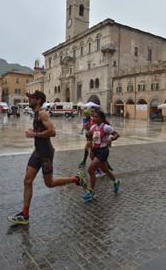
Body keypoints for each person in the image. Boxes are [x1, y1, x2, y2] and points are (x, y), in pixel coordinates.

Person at [8, 90, 86, 225]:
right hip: (37, 152)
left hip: (46, 154)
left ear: (38, 100)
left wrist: (35, 135)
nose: (29, 100)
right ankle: (25, 215)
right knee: (27, 181)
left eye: (31, 98)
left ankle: (77, 179)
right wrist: (34, 132)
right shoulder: (36, 114)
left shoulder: (43, 113)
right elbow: (41, 131)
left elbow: (53, 132)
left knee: (49, 183)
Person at [84, 110, 120, 202]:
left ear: (101, 118)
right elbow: (90, 138)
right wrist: (88, 133)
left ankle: (91, 192)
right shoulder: (93, 127)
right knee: (105, 170)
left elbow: (117, 135)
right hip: (95, 151)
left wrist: (111, 139)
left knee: (90, 170)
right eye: (94, 117)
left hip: (103, 151)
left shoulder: (106, 127)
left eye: (96, 117)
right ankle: (116, 182)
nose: (94, 118)